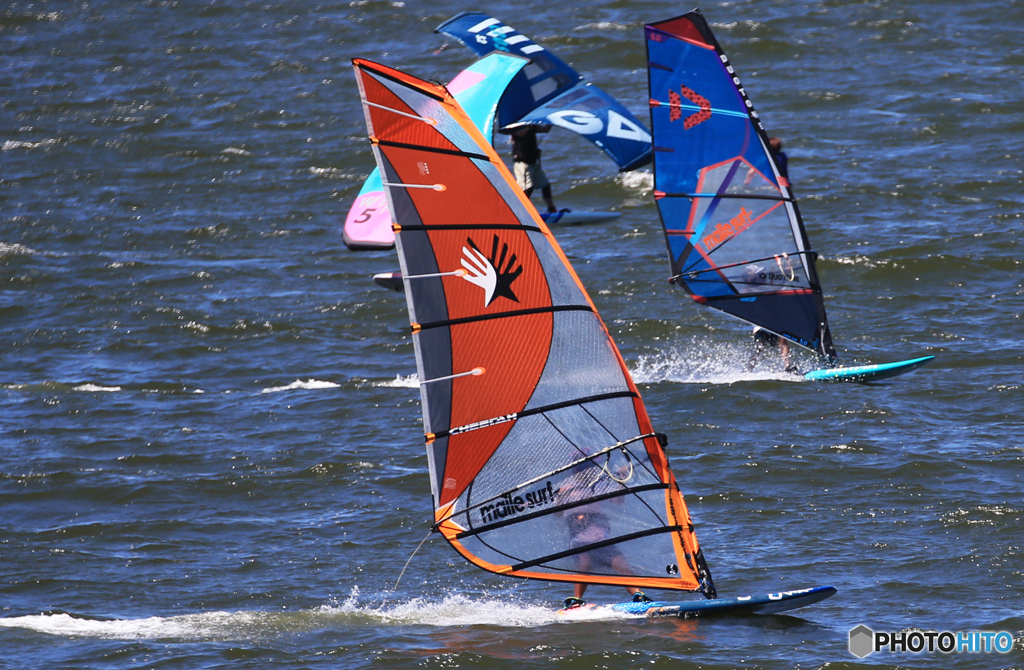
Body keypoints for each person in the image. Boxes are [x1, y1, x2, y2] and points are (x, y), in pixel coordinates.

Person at [555, 456, 652, 609]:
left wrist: (620, 479)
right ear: (575, 471)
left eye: (590, 467)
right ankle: (577, 599)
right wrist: (562, 499)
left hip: (602, 540)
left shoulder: (600, 485)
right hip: (580, 541)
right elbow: (558, 514)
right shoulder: (566, 489)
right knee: (584, 563)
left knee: (623, 565)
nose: (588, 471)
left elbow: (618, 500)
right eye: (583, 468)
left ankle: (639, 596)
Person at [510, 125, 557, 213]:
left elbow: (544, 129)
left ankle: (551, 209)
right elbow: (517, 134)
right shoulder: (515, 127)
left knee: (545, 185)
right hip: (522, 163)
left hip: (533, 162)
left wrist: (550, 122)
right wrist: (528, 128)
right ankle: (519, 211)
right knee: (527, 187)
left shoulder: (531, 127)